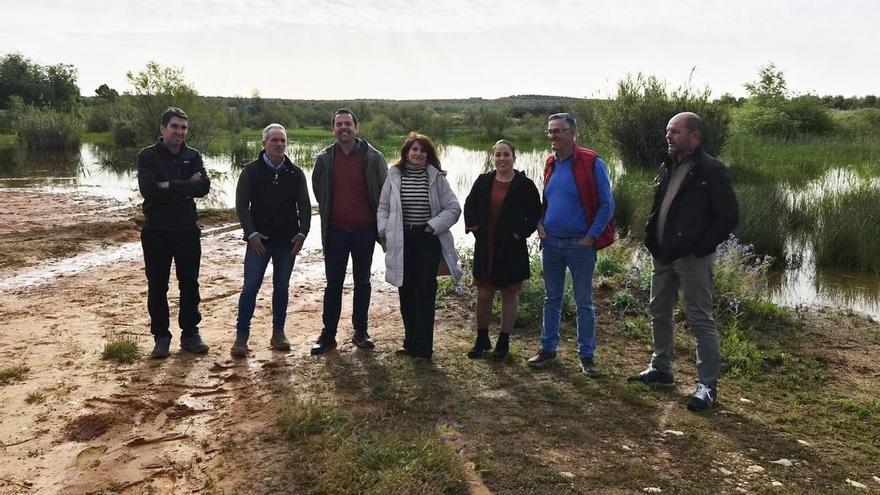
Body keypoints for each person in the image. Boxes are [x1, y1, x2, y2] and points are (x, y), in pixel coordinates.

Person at [628, 112, 738, 412]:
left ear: (695, 136)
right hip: (663, 254)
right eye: (667, 131)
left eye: (675, 132)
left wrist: (700, 248)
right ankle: (661, 369)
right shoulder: (668, 165)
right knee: (658, 312)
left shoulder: (711, 170)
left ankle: (707, 385)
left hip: (692, 260)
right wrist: (653, 238)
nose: (669, 136)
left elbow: (728, 216)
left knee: (700, 318)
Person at [527, 113, 615, 377]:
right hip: (551, 242)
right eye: (550, 131)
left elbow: (607, 205)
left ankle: (587, 356)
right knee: (551, 298)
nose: (553, 136)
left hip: (580, 245)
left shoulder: (591, 161)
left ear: (572, 133)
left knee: (583, 302)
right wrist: (540, 224)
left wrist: (590, 237)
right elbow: (548, 200)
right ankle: (547, 349)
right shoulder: (550, 162)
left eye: (558, 131)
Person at [310, 109, 389, 355]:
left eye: (348, 124)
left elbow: (385, 194)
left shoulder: (374, 157)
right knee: (333, 284)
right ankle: (328, 335)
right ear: (333, 129)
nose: (343, 128)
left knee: (363, 282)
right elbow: (318, 189)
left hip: (364, 230)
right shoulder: (324, 158)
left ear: (357, 127)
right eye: (338, 124)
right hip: (334, 232)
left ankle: (360, 331)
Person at [377, 132, 462, 360]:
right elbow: (383, 207)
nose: (418, 154)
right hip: (402, 240)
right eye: (414, 149)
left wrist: (432, 225)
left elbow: (453, 208)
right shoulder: (394, 176)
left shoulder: (436, 178)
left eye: (423, 150)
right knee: (405, 290)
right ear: (406, 153)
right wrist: (385, 230)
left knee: (425, 291)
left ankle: (424, 347)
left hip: (428, 240)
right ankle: (410, 342)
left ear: (428, 154)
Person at [230, 124, 311, 358]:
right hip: (259, 242)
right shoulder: (250, 171)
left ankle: (278, 334)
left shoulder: (295, 173)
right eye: (274, 140)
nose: (279, 145)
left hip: (287, 242)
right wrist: (251, 233)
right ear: (263, 143)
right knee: (250, 288)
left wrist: (303, 232)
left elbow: (304, 205)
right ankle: (241, 337)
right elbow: (242, 206)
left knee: (281, 288)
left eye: (283, 141)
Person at [137, 107, 211, 359]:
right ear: (162, 128)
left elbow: (203, 187)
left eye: (183, 127)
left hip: (187, 231)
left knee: (189, 285)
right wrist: (185, 188)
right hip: (156, 231)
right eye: (175, 127)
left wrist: (169, 185)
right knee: (157, 286)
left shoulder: (193, 155)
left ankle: (190, 334)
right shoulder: (147, 156)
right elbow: (149, 191)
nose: (180, 132)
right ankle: (161, 337)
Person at [463, 140, 542, 359]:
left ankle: (504, 342)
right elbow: (469, 205)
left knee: (509, 293)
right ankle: (482, 339)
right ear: (493, 157)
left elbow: (535, 213)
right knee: (484, 292)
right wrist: (475, 227)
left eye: (506, 155)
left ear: (514, 158)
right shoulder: (483, 181)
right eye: (498, 155)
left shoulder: (524, 184)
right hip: (485, 246)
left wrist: (520, 233)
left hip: (511, 248)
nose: (502, 159)